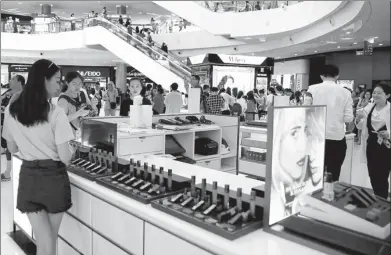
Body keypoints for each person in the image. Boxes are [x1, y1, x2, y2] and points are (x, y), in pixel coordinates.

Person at [1, 59, 74, 255]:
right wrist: (72, 151)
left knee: (44, 239)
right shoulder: (56, 114)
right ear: (44, 80)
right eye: (57, 80)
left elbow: (12, 147)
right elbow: (66, 157)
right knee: (49, 239)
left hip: (29, 177)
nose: (60, 85)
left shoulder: (12, 110)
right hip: (53, 179)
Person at [269, 107, 325, 225]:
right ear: (276, 139)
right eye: (294, 133)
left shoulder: (304, 192)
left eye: (305, 131)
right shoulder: (274, 205)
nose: (303, 146)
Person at [308, 65, 354, 182]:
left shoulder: (312, 89)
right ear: (337, 76)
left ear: (321, 76)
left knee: (315, 174)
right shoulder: (345, 92)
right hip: (336, 138)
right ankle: (330, 196)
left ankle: (313, 198)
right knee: (334, 173)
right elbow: (348, 118)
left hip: (316, 137)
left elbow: (306, 111)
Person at [355, 84, 390, 199]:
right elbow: (361, 126)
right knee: (372, 173)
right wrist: (358, 119)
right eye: (374, 92)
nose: (375, 95)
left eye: (379, 93)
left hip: (386, 146)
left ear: (387, 95)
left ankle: (383, 199)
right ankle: (377, 196)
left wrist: (389, 133)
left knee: (382, 174)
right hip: (371, 144)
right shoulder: (369, 107)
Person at [1, 75, 25, 181]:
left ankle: (11, 172)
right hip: (10, 128)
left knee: (15, 150)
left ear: (19, 82)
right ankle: (8, 171)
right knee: (9, 149)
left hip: (17, 129)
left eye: (13, 80)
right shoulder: (15, 94)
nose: (10, 81)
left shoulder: (21, 94)